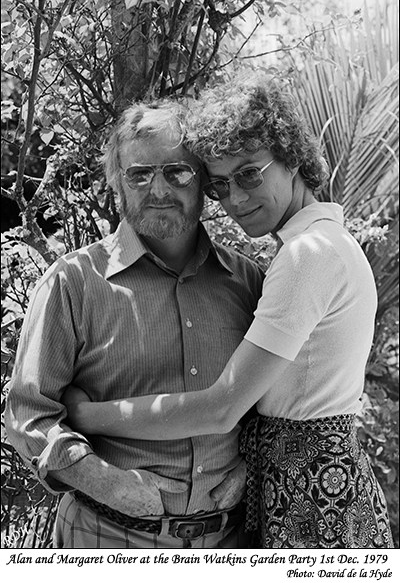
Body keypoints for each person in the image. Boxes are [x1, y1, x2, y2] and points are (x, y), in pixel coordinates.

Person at [63, 77, 394, 549]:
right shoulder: (322, 247)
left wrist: (86, 415)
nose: (236, 199)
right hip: (308, 483)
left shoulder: (308, 256)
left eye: (249, 175)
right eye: (219, 184)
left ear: (292, 156)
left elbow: (221, 408)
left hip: (315, 496)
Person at [4, 98, 265, 549]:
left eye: (177, 172)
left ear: (203, 180)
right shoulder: (73, 283)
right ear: (117, 184)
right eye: (139, 174)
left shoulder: (246, 281)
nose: (158, 190)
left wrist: (249, 467)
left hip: (230, 540)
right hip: (107, 536)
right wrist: (105, 482)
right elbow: (29, 414)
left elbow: (274, 402)